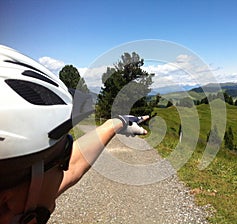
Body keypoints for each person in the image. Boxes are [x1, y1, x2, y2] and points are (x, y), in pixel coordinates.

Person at [0, 45, 149, 224]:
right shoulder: (22, 206)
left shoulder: (19, 201)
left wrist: (117, 123)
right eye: (63, 158)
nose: (68, 163)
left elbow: (74, 165)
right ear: (8, 201)